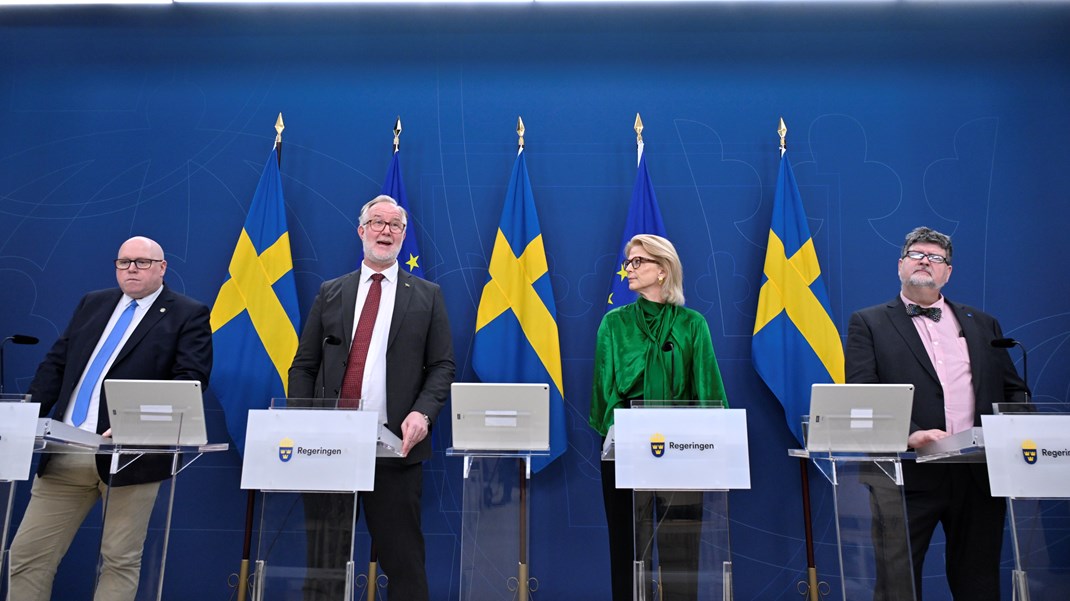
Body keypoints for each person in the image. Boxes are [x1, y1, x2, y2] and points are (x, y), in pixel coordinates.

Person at [8, 236, 212, 601]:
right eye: (123, 262)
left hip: (130, 454)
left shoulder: (187, 313)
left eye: (142, 262)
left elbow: (191, 379)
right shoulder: (93, 303)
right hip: (65, 449)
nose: (131, 268)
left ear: (162, 268)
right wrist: (24, 419)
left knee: (119, 560)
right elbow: (56, 364)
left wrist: (137, 420)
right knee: (27, 555)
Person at [846, 226, 1029, 600]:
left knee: (978, 584)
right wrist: (911, 435)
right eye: (917, 254)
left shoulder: (983, 323)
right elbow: (863, 393)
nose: (926, 261)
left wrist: (1016, 435)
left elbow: (1014, 389)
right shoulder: (868, 322)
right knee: (897, 586)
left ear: (948, 272)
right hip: (905, 474)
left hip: (978, 475)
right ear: (900, 265)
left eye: (937, 258)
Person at [288, 194, 455, 601]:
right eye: (377, 223)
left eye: (395, 225)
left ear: (403, 235)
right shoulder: (331, 291)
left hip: (396, 449)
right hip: (328, 447)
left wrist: (423, 413)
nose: (386, 231)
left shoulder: (427, 294)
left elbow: (442, 367)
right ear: (361, 230)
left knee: (405, 563)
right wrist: (304, 424)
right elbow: (303, 366)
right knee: (325, 563)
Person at [589, 234, 728, 601]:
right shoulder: (614, 324)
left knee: (680, 552)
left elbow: (709, 393)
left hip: (683, 450)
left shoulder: (692, 324)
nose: (628, 269)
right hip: (625, 451)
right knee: (626, 549)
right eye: (628, 262)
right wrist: (627, 433)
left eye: (638, 262)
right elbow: (603, 394)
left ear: (663, 270)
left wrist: (717, 446)